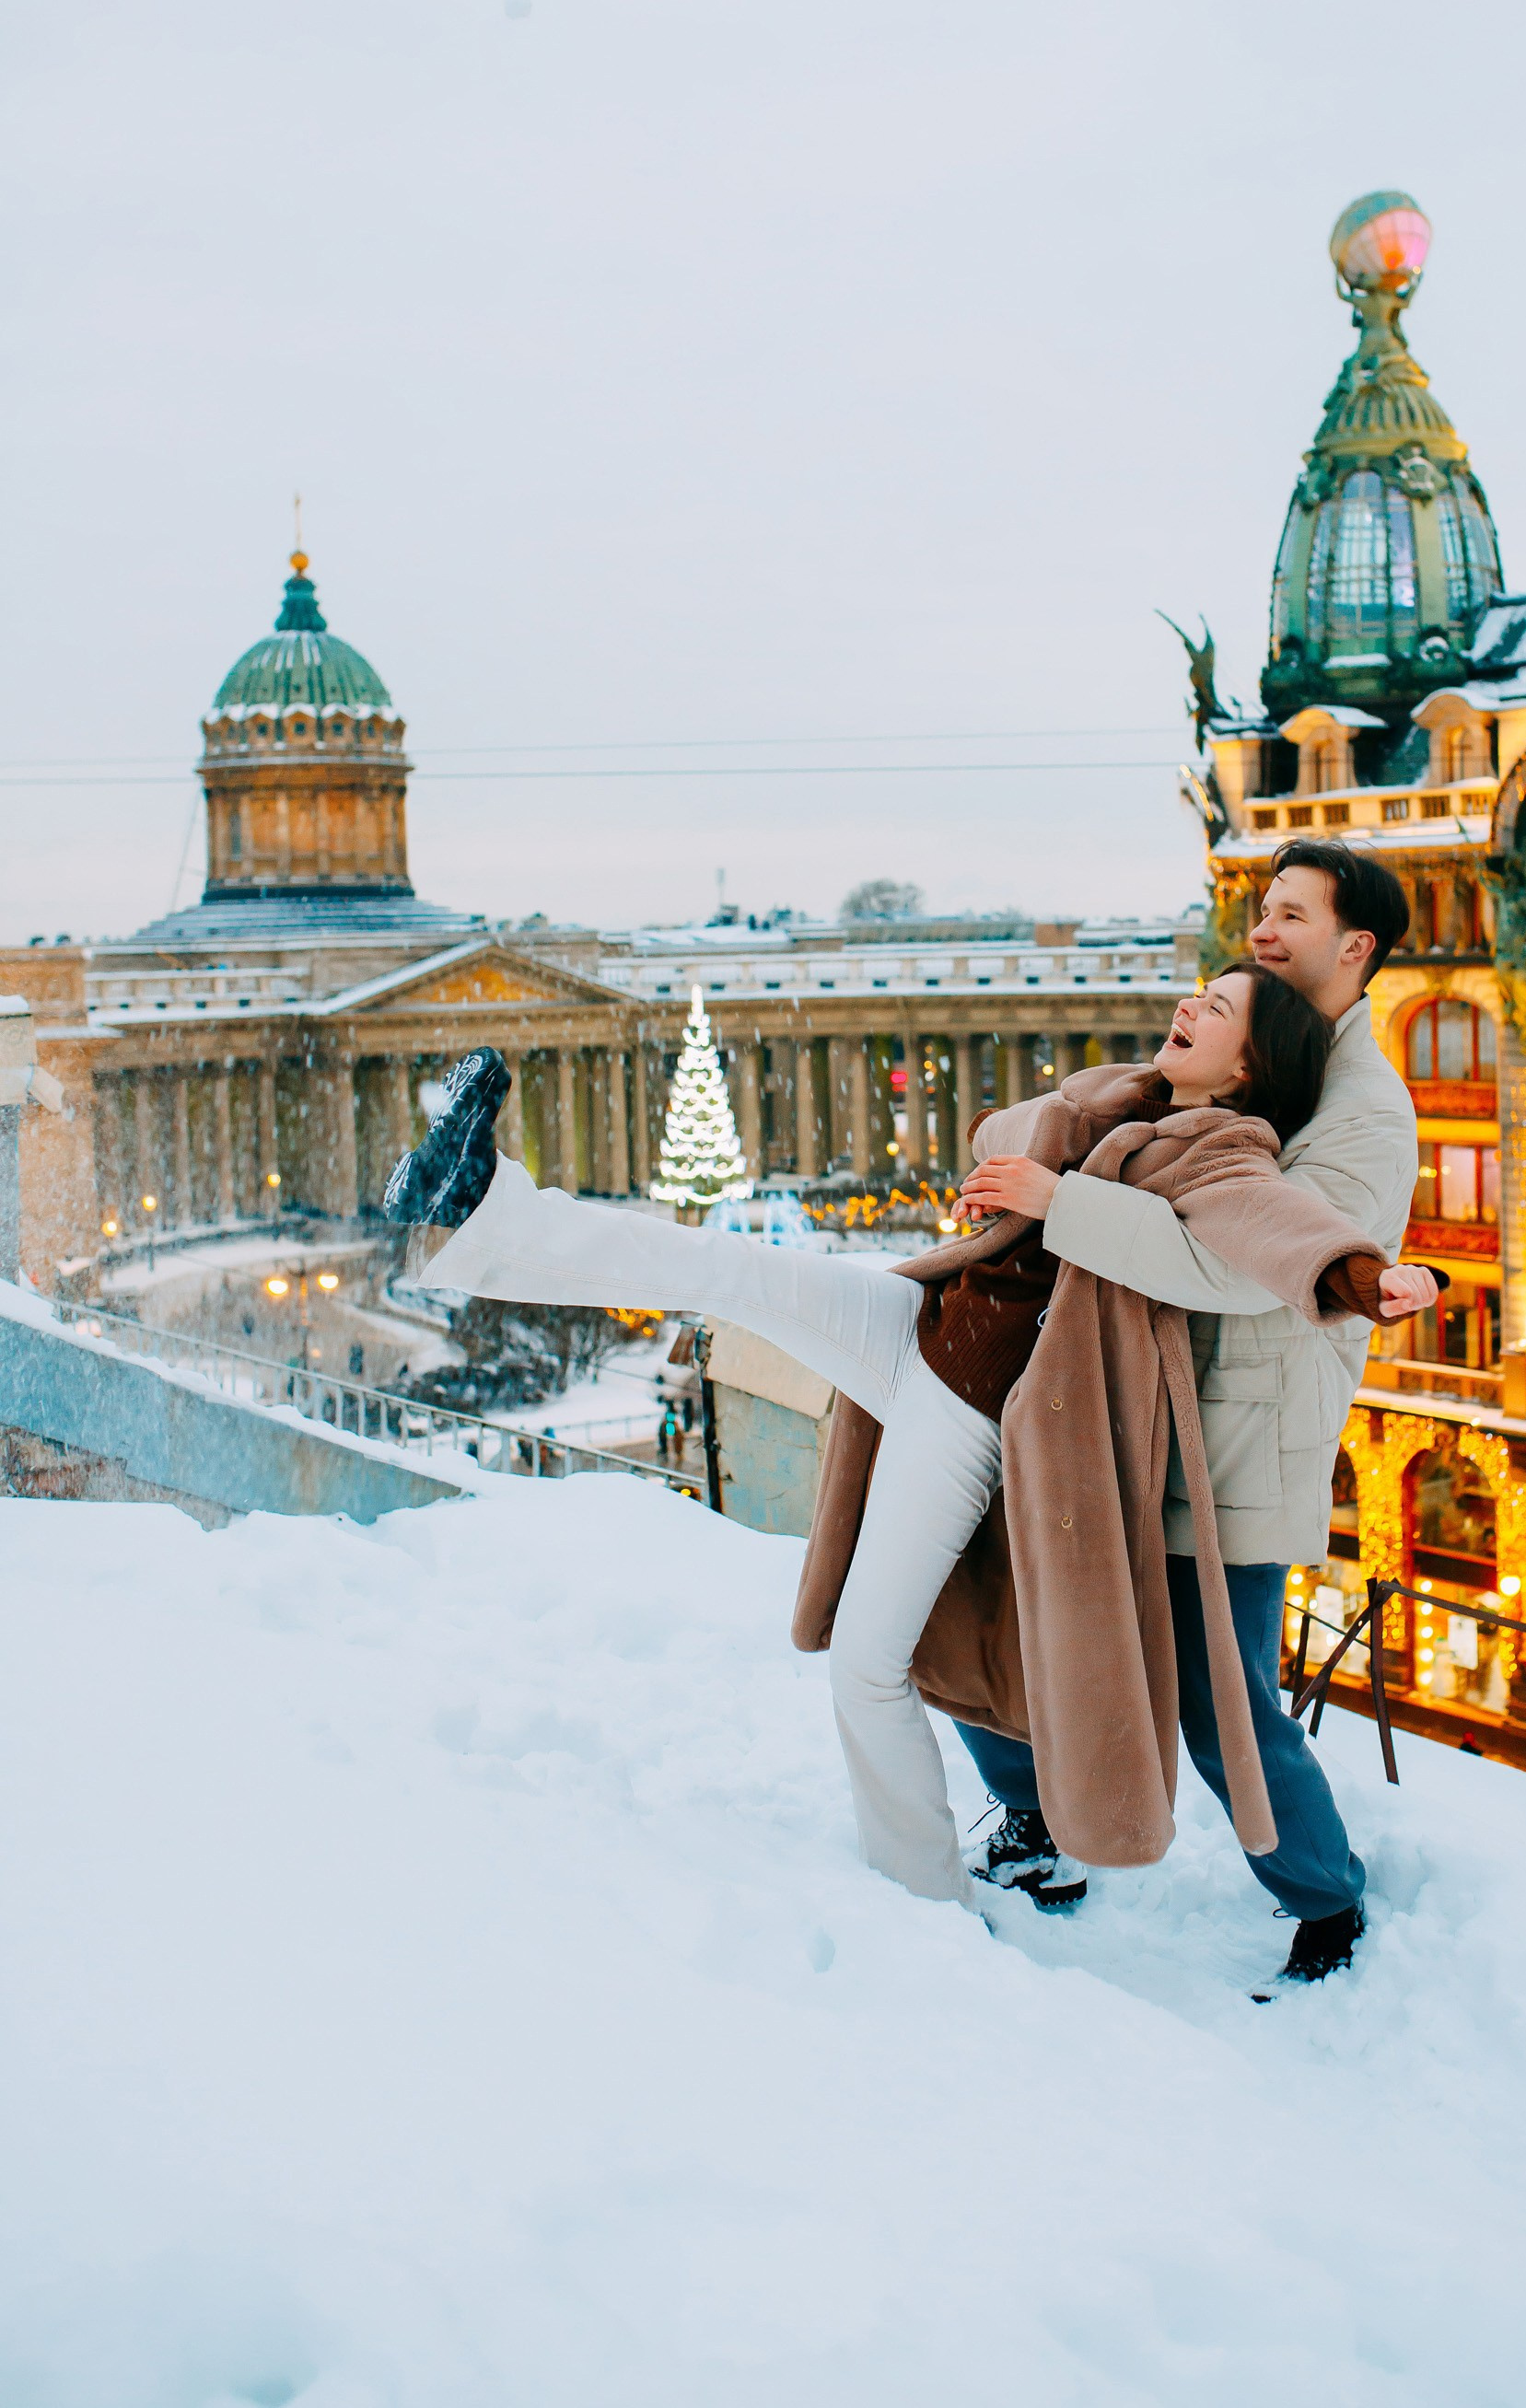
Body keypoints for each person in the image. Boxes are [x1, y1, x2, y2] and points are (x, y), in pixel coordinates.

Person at [381, 954, 1434, 1916]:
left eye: (1213, 1010)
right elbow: (998, 1130)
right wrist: (1032, 1155)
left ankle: (923, 1899)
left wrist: (1358, 1276)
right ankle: (480, 1201)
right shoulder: (1132, 1096)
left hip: (971, 1414)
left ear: (1249, 1067)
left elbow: (1270, 1224)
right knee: (724, 1268)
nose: (1184, 1005)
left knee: (868, 1667)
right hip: (923, 1332)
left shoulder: (1219, 1144)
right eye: (1194, 990)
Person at [951, 840, 1417, 1982]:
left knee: (1222, 1704)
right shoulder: (1237, 1048)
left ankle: (1325, 1903)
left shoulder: (1362, 1109)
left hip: (1235, 1439)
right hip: (1123, 1413)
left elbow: (1241, 1268)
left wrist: (1060, 1204)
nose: (1260, 931)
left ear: (1353, 946)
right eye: (1261, 911)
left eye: (1290, 917)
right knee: (1022, 1633)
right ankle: (1039, 1825)